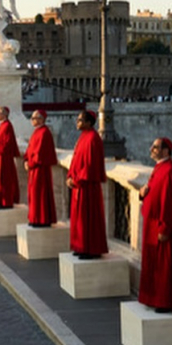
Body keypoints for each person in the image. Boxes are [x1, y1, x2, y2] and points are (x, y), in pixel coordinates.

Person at [138, 137, 172, 312]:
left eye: (156, 147)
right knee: (155, 265)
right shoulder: (160, 167)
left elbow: (170, 202)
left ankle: (165, 301)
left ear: (166, 151)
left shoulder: (169, 171)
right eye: (152, 146)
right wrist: (142, 193)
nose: (152, 149)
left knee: (165, 266)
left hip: (163, 226)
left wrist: (165, 228)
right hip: (154, 224)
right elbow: (153, 192)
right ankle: (154, 299)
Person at [66, 110, 108, 259]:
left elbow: (90, 166)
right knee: (80, 220)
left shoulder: (92, 139)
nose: (77, 122)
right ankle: (80, 246)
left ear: (89, 122)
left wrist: (76, 179)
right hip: (80, 185)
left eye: (80, 120)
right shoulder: (83, 137)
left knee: (88, 219)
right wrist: (70, 176)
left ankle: (91, 249)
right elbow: (76, 160)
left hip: (87, 186)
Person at [24, 109, 57, 227]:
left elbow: (40, 153)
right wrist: (26, 159)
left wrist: (31, 162)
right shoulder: (37, 132)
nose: (32, 120)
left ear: (41, 119)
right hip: (34, 168)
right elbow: (30, 149)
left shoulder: (44, 133)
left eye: (34, 118)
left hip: (40, 169)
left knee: (40, 194)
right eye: (32, 118)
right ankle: (35, 218)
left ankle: (42, 219)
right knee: (34, 195)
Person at [0, 105, 20, 208]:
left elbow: (7, 143)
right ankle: (0, 200)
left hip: (4, 158)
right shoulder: (2, 125)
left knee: (5, 180)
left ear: (5, 114)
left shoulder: (7, 126)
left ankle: (6, 202)